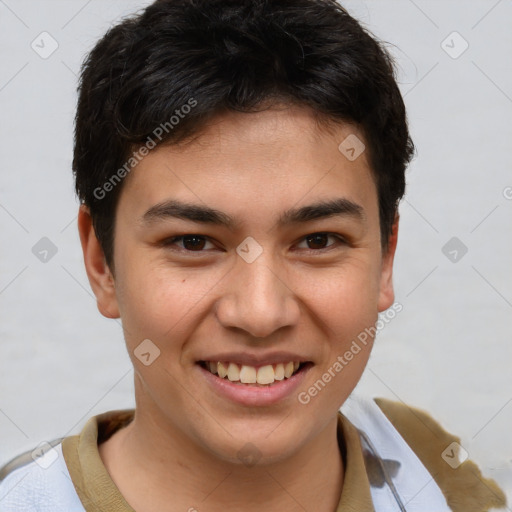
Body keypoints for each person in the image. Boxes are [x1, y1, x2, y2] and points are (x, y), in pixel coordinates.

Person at [0, 0, 507, 510]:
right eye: (193, 243)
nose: (261, 313)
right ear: (101, 263)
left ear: (385, 258)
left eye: (318, 240)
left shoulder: (438, 479)